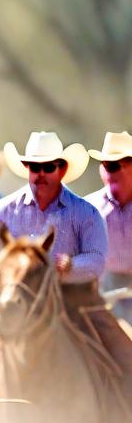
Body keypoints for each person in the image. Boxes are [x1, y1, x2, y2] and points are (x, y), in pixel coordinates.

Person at [0, 131, 105, 296]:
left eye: (49, 167)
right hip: (14, 300)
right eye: (35, 167)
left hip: (68, 298)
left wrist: (72, 265)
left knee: (103, 322)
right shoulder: (2, 211)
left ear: (62, 169)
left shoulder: (86, 213)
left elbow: (97, 259)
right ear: (27, 167)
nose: (41, 174)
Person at [86, 130, 132, 322]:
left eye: (115, 165)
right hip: (103, 295)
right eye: (106, 165)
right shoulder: (88, 209)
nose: (110, 172)